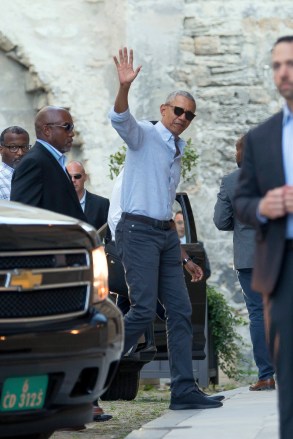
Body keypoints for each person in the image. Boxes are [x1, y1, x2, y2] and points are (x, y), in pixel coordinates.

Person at [109, 47, 223, 409]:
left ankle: (184, 390)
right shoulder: (143, 134)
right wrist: (124, 86)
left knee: (180, 310)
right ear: (163, 110)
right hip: (136, 231)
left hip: (161, 233)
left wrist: (183, 257)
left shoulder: (176, 150)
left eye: (189, 115)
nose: (183, 118)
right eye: (178, 111)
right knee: (142, 309)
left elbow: (163, 210)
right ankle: (93, 366)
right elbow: (119, 118)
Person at [234, 35, 293, 439]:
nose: (283, 73)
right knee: (287, 372)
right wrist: (261, 208)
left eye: (290, 63)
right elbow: (240, 201)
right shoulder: (261, 138)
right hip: (283, 265)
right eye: (276, 65)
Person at [213, 134, 275, 391]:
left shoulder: (230, 182)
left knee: (258, 314)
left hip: (250, 258)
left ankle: (267, 375)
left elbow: (220, 221)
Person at [10, 106, 86, 222]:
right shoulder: (34, 162)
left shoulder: (54, 160)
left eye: (72, 128)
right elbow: (23, 217)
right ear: (47, 130)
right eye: (67, 127)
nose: (72, 134)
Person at [67, 160, 109, 229]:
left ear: (85, 177)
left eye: (77, 176)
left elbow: (108, 235)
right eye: (69, 176)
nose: (73, 180)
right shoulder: (58, 204)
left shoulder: (102, 204)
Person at [0, 126, 30, 200]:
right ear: (1, 150)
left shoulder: (33, 175)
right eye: (13, 147)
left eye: (24, 147)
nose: (20, 153)